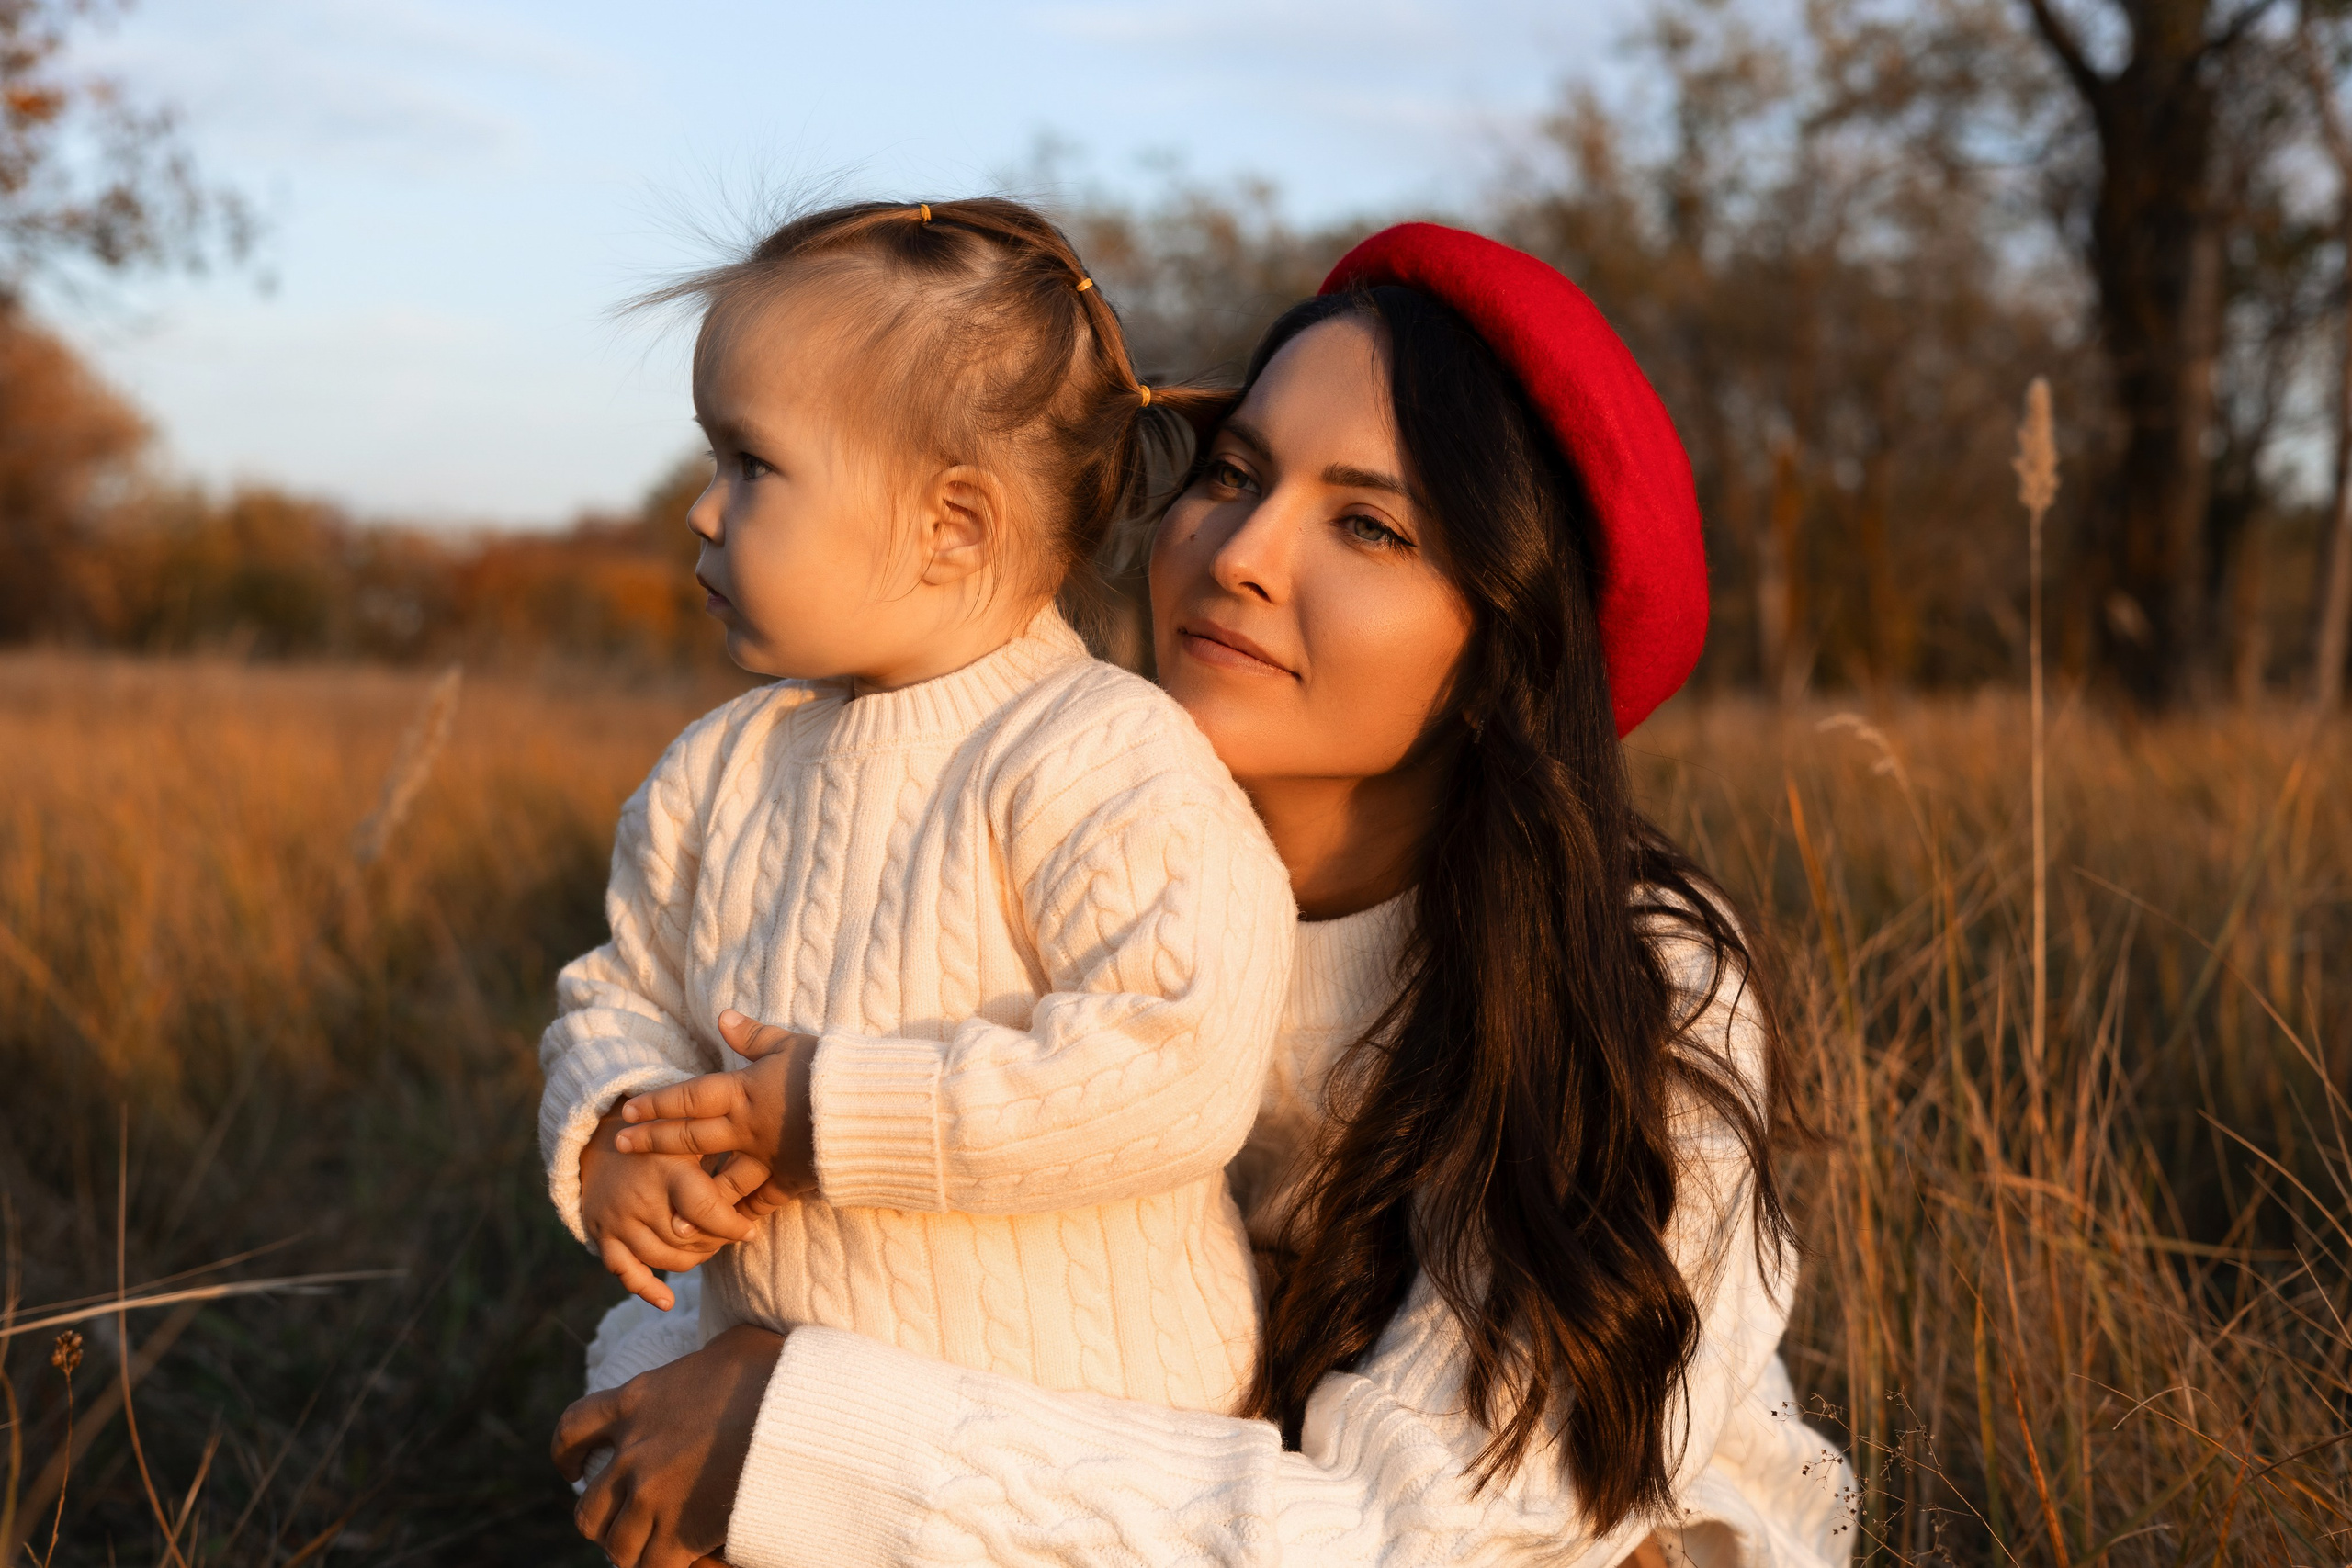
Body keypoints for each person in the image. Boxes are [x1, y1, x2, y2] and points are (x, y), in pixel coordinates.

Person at [555, 222, 1857, 1568]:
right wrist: (680, 1355)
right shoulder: (999, 835)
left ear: (1508, 640)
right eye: (1233, 472)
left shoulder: (1637, 991)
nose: (1239, 550)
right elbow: (754, 1213)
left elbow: (1425, 1542)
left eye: (1368, 524)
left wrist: (804, 1441)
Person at [536, 197, 1300, 1447]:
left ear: (952, 525)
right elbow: (619, 990)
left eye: (752, 464)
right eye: (711, 457)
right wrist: (622, 1124)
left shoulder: (1098, 753)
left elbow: (1180, 1064)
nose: (704, 510)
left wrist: (827, 1117)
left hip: (1072, 1442)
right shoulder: (716, 769)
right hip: (784, 1419)